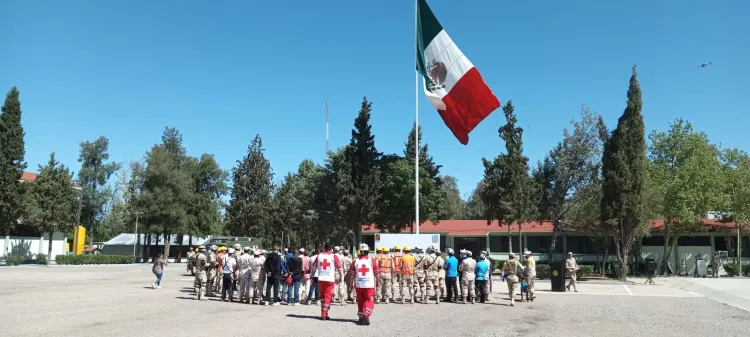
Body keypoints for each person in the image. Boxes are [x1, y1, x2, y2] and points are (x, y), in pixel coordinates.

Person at [346, 243, 379, 325]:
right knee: (369, 301)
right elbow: (376, 273)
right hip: (369, 285)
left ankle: (361, 318)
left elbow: (352, 275)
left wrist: (351, 285)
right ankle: (366, 314)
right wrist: (378, 281)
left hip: (359, 285)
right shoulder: (372, 260)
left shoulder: (355, 261)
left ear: (360, 252)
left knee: (360, 302)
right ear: (367, 251)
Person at [312, 242, 344, 320]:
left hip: (321, 279)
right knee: (328, 297)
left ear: (324, 248)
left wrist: (312, 276)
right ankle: (324, 314)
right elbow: (339, 267)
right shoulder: (333, 256)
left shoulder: (319, 256)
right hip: (329, 280)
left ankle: (324, 313)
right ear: (331, 249)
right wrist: (341, 277)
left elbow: (314, 266)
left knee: (322, 297)